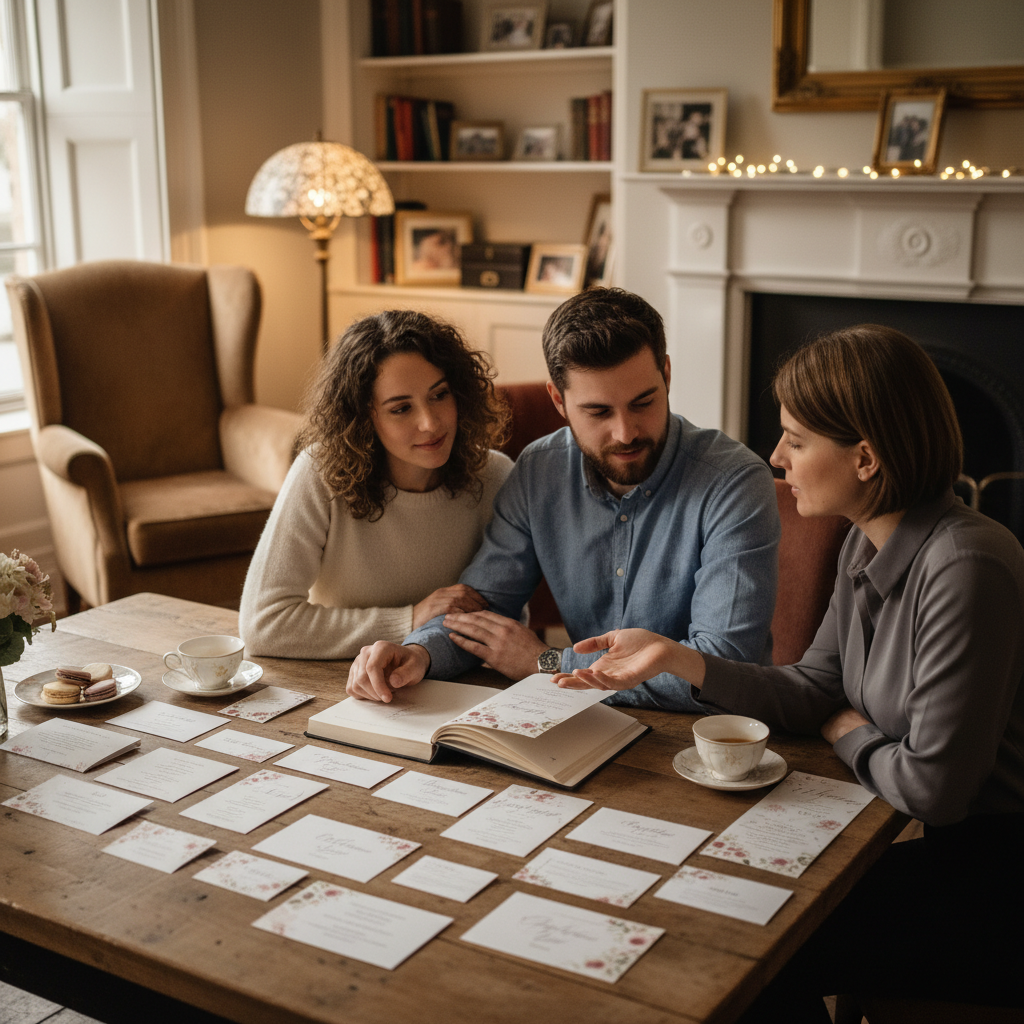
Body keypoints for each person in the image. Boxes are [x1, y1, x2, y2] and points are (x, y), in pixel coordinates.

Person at [555, 324, 1024, 1018]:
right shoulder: (866, 543)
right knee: (719, 902)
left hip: (989, 878)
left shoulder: (966, 565)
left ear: (865, 458)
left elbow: (933, 788)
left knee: (749, 936)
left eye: (797, 441)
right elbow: (810, 690)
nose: (777, 458)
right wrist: (679, 657)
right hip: (916, 842)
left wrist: (846, 729)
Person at [346, 287, 780, 707]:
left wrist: (546, 662)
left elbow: (721, 669)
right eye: (598, 411)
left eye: (643, 402)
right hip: (582, 718)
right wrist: (420, 654)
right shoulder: (540, 469)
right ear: (558, 399)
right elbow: (480, 607)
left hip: (707, 739)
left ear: (666, 374)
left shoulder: (734, 483)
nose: (625, 432)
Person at [238, 310, 512, 660]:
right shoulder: (319, 473)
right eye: (401, 409)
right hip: (338, 680)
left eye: (439, 395)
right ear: (365, 416)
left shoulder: (495, 475)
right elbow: (263, 625)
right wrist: (408, 620)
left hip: (457, 676)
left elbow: (504, 616)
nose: (430, 423)